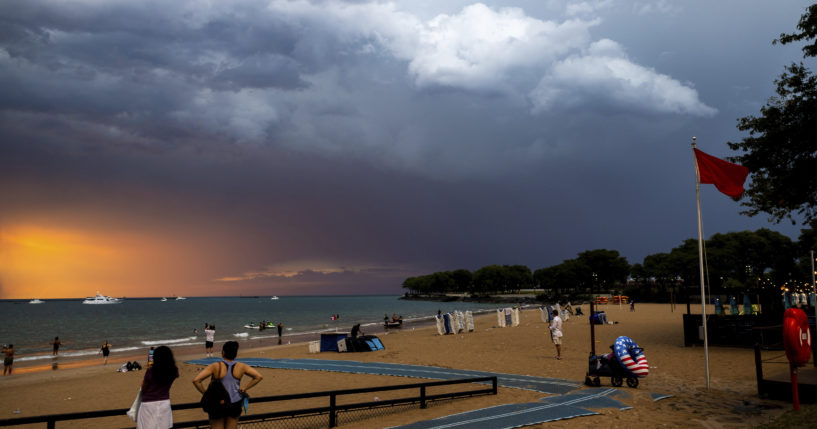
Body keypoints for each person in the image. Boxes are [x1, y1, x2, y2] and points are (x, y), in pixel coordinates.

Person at [193, 341, 263, 429]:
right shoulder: (242, 366)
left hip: (218, 403)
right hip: (235, 403)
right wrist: (245, 388)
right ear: (235, 354)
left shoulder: (215, 366)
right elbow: (258, 377)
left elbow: (196, 380)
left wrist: (205, 393)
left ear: (223, 352)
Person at [137, 345, 179, 429]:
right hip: (164, 401)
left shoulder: (151, 371)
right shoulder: (174, 370)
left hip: (148, 403)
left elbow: (143, 387)